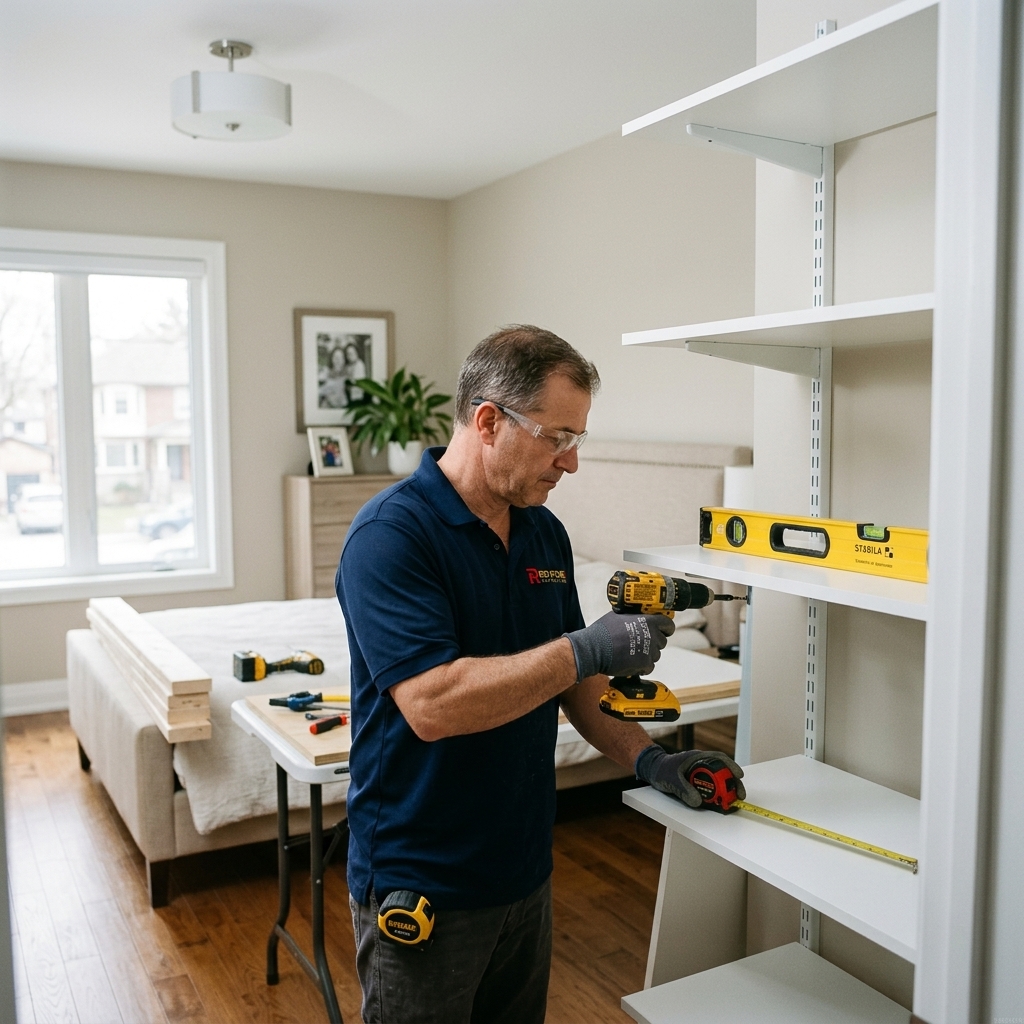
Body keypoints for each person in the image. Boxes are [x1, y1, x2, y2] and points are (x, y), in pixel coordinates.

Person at [336, 325, 743, 1024]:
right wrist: (584, 648)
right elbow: (433, 705)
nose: (572, 463)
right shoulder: (391, 537)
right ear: (488, 421)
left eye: (577, 438)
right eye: (557, 437)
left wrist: (649, 760)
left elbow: (575, 684)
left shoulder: (542, 531)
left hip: (523, 870)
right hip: (422, 881)